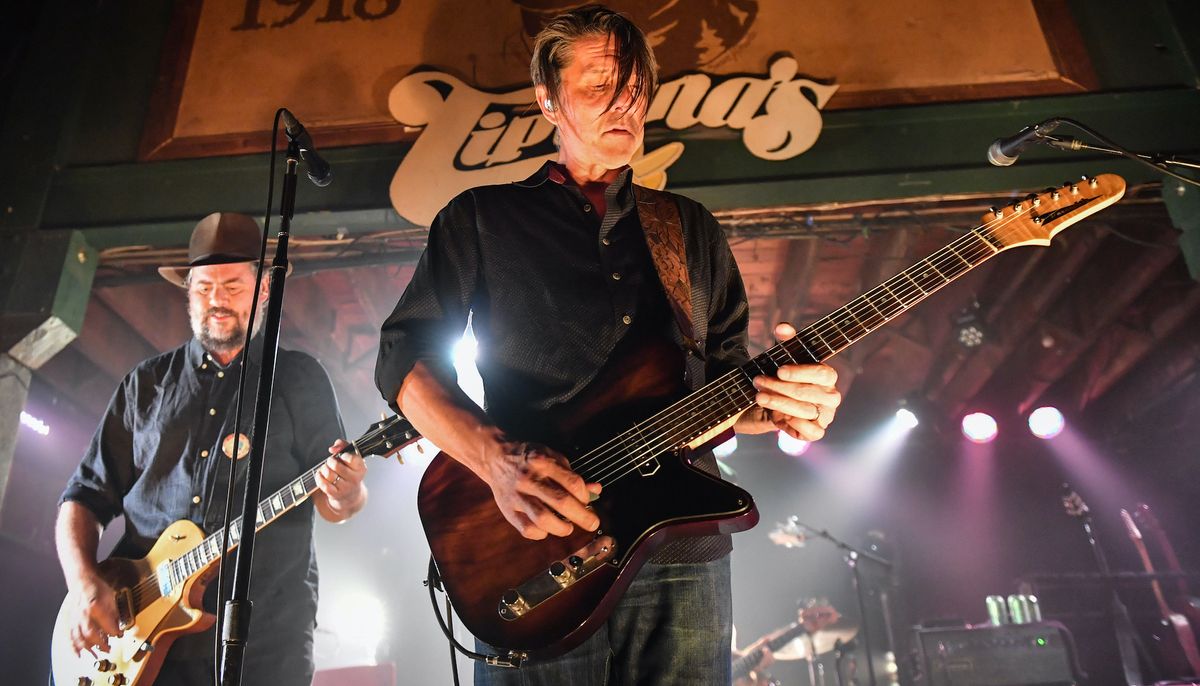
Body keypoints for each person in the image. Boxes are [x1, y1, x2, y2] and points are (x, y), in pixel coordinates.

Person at [375, 5, 841, 684]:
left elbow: (728, 387)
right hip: (536, 547)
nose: (623, 105)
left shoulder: (689, 228)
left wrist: (789, 407)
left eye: (634, 91)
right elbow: (402, 358)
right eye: (599, 87)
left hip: (683, 551)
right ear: (548, 100)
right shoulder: (481, 219)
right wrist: (495, 461)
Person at [55, 212, 369, 685]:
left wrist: (347, 493)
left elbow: (337, 503)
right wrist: (83, 583)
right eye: (202, 288)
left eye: (232, 286)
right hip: (136, 633)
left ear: (264, 290)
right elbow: (82, 497)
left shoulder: (300, 378)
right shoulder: (146, 384)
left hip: (267, 641)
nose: (216, 300)